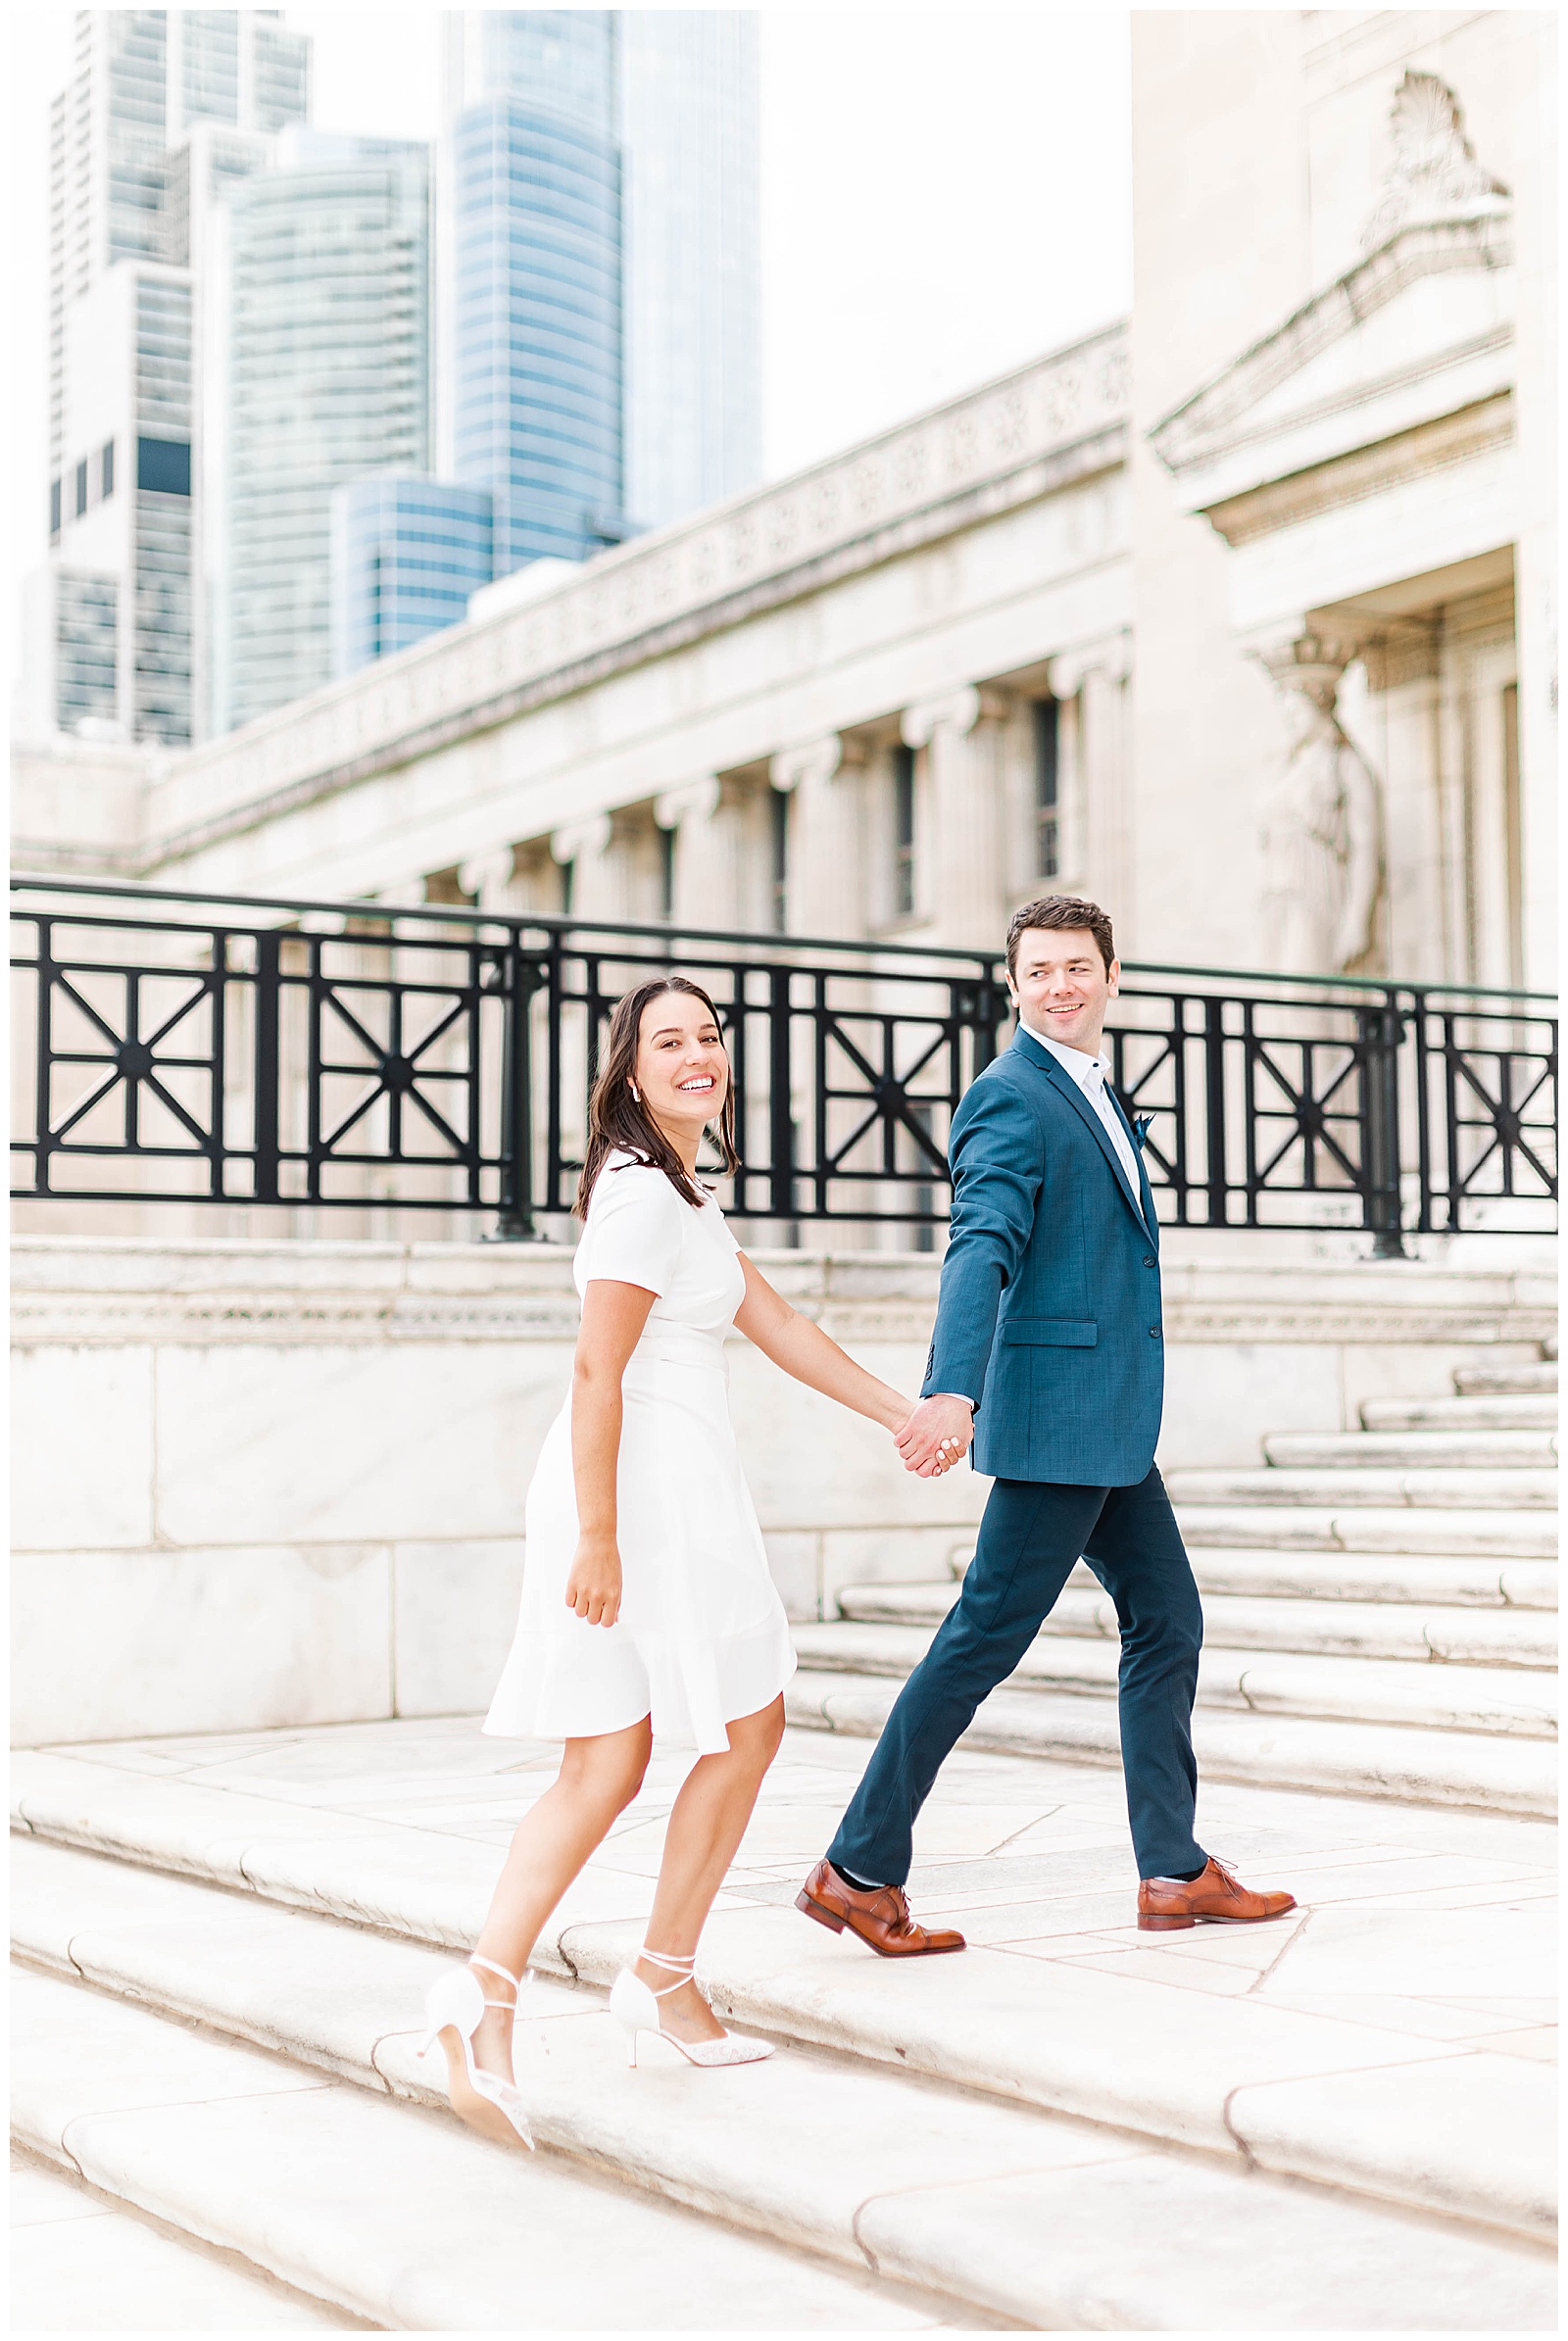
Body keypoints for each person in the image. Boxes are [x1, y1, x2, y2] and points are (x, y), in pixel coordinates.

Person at [421, 973, 943, 2148]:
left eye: (709, 1035)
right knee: (687, 1736)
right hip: (640, 1497)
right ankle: (616, 1982)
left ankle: (509, 1992)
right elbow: (595, 1369)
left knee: (628, 1753)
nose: (698, 1054)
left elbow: (782, 1326)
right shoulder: (641, 1199)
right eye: (671, 1041)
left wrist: (905, 1413)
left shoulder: (676, 1192)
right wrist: (599, 1533)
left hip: (674, 1488)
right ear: (629, 1067)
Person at [798, 896, 1297, 1957]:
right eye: (1040, 970)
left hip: (1105, 1425)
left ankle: (1171, 1868)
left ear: (1112, 975)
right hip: (1056, 1423)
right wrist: (951, 1388)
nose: (1061, 985)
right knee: (981, 1639)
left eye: (1079, 966)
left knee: (1165, 1620)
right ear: (1011, 985)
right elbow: (980, 1245)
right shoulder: (1010, 1097)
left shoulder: (1085, 1086)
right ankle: (857, 1867)